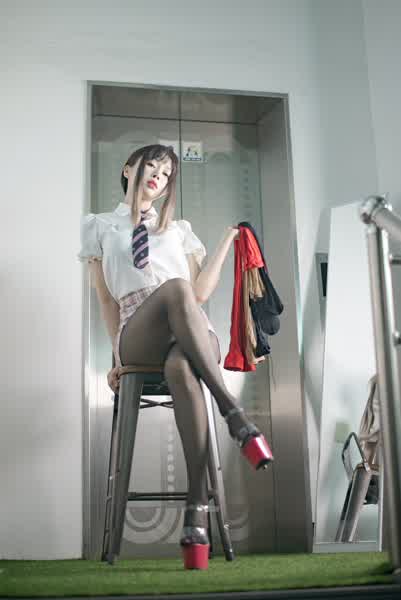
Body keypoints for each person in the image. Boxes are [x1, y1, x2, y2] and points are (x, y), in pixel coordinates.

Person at [78, 144, 271, 569]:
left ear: (167, 188)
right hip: (138, 328)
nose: (158, 176)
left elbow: (197, 294)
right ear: (128, 169)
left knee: (182, 365)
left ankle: (195, 515)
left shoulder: (179, 230)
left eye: (166, 174)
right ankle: (233, 411)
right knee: (175, 289)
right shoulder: (99, 226)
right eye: (152, 165)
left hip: (192, 332)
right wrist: (117, 360)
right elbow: (107, 300)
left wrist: (226, 242)